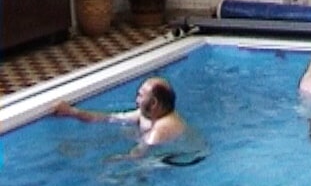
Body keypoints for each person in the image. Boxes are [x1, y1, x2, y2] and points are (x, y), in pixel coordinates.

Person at [53, 77, 208, 165]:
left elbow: (137, 155)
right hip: (166, 152)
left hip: (183, 160)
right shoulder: (147, 114)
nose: (136, 99)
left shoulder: (162, 128)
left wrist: (107, 160)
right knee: (124, 131)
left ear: (154, 103)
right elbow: (110, 118)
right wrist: (72, 112)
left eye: (140, 95)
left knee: (123, 175)